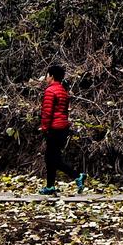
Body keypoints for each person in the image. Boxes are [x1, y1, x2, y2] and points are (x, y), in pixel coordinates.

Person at [38, 64, 87, 195]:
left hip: (54, 128)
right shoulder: (63, 91)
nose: (46, 77)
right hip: (62, 128)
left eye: (47, 75)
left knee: (53, 159)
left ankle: (77, 176)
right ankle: (50, 187)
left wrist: (44, 128)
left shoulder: (50, 91)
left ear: (52, 76)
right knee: (51, 157)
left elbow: (47, 113)